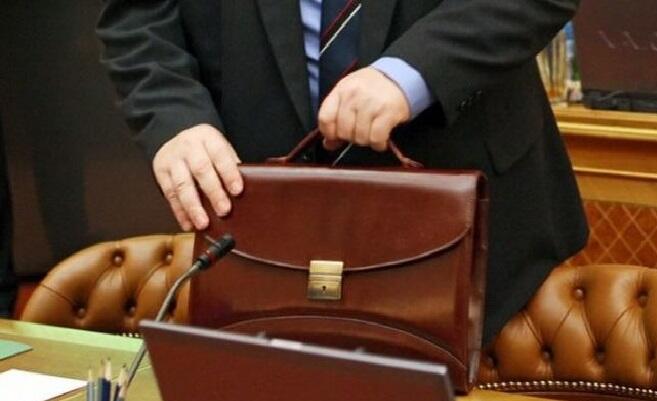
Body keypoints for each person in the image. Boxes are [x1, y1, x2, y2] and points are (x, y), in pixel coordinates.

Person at [97, 0, 589, 344]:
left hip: (482, 251)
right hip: (260, 238)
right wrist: (174, 118)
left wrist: (411, 73)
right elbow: (139, 19)